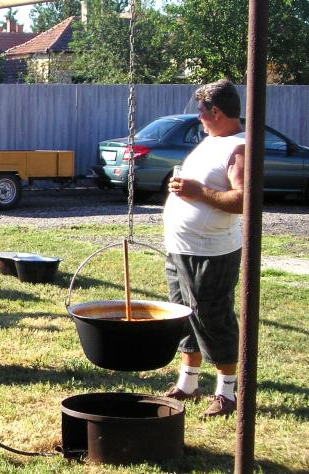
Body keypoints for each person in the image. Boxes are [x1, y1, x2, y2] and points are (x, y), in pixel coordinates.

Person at [162, 79, 245, 418]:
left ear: (216, 111)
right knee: (184, 315)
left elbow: (242, 199)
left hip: (211, 251)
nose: (198, 117)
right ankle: (188, 383)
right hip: (182, 247)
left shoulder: (239, 147)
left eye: (201, 111)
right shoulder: (212, 141)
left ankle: (227, 393)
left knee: (212, 318)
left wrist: (198, 193)